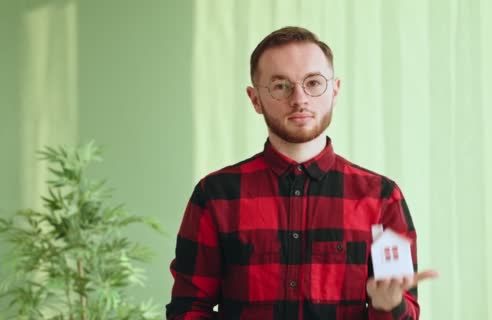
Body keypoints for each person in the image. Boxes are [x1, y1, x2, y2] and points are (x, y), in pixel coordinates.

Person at [166, 26, 437, 320]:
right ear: (255, 99)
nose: (299, 98)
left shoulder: (381, 198)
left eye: (313, 83)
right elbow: (188, 309)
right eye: (281, 85)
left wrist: (389, 305)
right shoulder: (216, 195)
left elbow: (405, 309)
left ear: (334, 90)